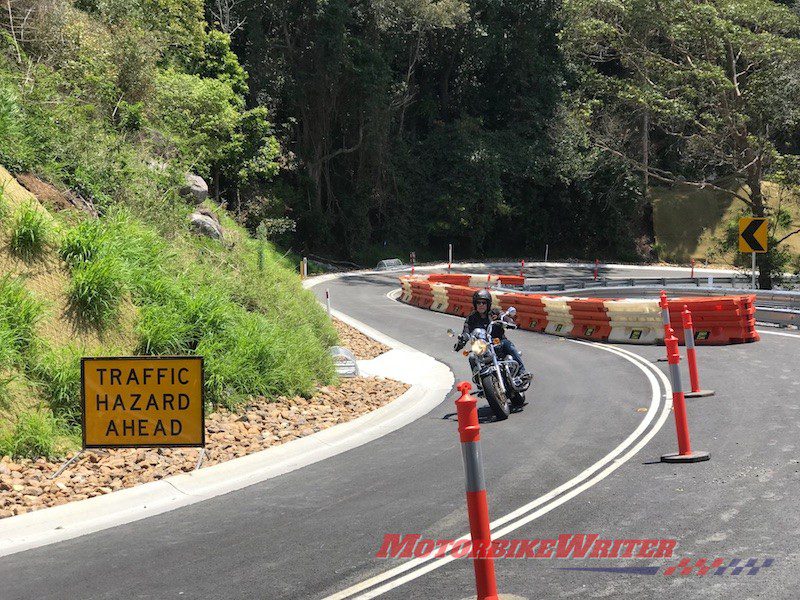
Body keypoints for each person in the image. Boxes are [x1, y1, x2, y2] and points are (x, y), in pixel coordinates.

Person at [454, 290, 531, 379]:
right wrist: (462, 339)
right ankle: (481, 386)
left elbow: (504, 316)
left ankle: (522, 372)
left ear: (488, 304)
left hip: (498, 343)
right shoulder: (471, 318)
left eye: (483, 302)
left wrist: (509, 322)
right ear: (475, 304)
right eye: (478, 303)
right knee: (472, 358)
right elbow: (466, 331)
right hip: (483, 348)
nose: (481, 305)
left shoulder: (494, 313)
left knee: (508, 345)